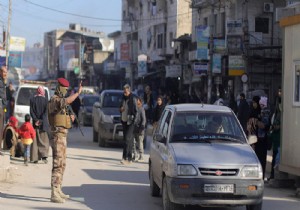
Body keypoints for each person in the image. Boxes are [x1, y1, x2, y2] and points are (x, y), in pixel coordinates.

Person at [48, 78, 82, 203]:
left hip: (62, 136)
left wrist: (70, 118)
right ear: (60, 87)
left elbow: (61, 117)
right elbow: (66, 101)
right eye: (65, 89)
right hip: (57, 136)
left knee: (62, 164)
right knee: (57, 165)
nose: (66, 91)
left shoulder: (59, 102)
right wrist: (77, 93)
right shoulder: (54, 100)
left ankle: (58, 189)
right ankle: (54, 192)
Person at [30, 86, 50, 164]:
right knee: (44, 140)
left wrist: (36, 120)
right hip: (43, 124)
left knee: (35, 141)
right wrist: (41, 120)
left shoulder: (32, 100)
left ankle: (35, 158)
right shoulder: (46, 101)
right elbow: (45, 113)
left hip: (35, 124)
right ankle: (44, 156)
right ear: (43, 91)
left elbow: (31, 112)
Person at [120, 84, 137, 165]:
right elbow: (120, 107)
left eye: (126, 92)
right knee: (126, 140)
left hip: (131, 122)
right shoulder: (123, 98)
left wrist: (135, 120)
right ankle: (127, 158)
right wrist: (120, 109)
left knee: (127, 139)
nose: (125, 93)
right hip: (124, 121)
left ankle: (126, 157)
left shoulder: (133, 98)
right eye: (124, 91)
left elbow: (136, 110)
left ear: (129, 91)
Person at [133, 97, 146, 162]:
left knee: (140, 142)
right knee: (133, 142)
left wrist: (142, 127)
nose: (136, 101)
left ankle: (141, 156)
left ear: (140, 102)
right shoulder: (134, 108)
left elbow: (143, 119)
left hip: (140, 129)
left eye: (137, 100)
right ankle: (135, 155)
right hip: (134, 128)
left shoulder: (141, 109)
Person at [0, 65, 8, 150]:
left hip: (2, 106)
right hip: (0, 106)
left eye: (6, 72)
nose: (4, 73)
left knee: (1, 127)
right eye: (3, 71)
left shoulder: (3, 82)